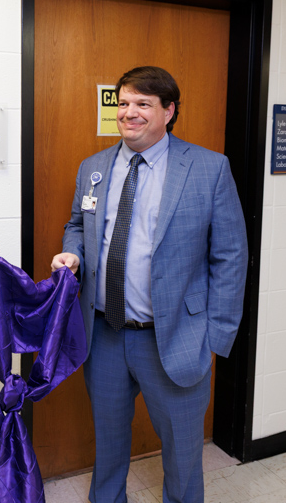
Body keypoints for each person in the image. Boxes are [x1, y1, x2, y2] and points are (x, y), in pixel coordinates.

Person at [51, 66, 248, 503]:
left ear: (168, 111)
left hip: (174, 334)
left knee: (181, 452)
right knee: (109, 443)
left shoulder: (208, 168)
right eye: (123, 103)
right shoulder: (94, 168)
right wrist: (73, 254)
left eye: (143, 104)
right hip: (103, 332)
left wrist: (216, 335)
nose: (129, 113)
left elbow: (231, 255)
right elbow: (77, 227)